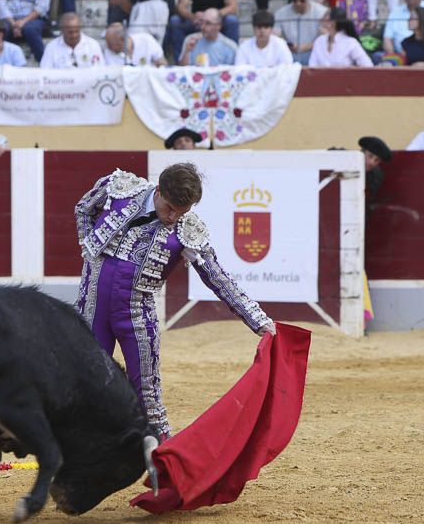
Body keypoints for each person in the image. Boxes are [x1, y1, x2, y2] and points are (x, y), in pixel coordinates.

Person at [73, 163, 275, 437]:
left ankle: (163, 459)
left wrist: (258, 320)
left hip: (135, 313)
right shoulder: (120, 188)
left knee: (147, 393)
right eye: (169, 208)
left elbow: (217, 278)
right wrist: (88, 248)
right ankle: (78, 456)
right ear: (157, 191)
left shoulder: (188, 230)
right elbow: (84, 208)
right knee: (85, 382)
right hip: (91, 304)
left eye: (182, 212)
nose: (173, 217)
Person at [274, 0, 327, 65]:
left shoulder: (322, 13)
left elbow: (326, 39)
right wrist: (287, 46)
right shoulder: (280, 13)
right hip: (289, 54)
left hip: (314, 53)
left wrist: (308, 46)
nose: (298, 3)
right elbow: (275, 38)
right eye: (294, 0)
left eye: (302, 0)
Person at [310, 7, 374, 66]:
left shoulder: (350, 42)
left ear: (333, 23)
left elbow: (368, 65)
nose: (321, 22)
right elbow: (312, 66)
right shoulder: (319, 41)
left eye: (325, 20)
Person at [40, 12, 105, 67]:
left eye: (77, 31)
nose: (74, 35)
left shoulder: (93, 45)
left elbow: (100, 72)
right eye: (70, 32)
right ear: (62, 30)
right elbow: (45, 72)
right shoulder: (51, 47)